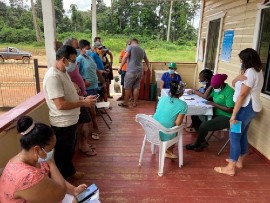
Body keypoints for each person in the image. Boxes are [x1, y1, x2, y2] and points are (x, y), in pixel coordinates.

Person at [0, 116, 87, 203]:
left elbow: (52, 179)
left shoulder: (31, 158)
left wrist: (73, 190)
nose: (52, 152)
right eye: (50, 149)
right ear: (37, 149)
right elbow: (60, 194)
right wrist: (52, 163)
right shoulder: (28, 177)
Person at [43, 45, 97, 179]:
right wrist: (83, 103)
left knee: (68, 150)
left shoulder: (62, 72)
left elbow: (69, 95)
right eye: (72, 61)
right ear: (63, 60)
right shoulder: (53, 77)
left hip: (70, 121)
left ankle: (68, 173)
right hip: (62, 123)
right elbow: (60, 104)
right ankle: (65, 176)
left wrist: (83, 98)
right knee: (63, 152)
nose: (74, 64)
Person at [214, 48, 264, 176]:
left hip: (245, 108)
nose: (240, 61)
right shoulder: (257, 71)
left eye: (241, 59)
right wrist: (239, 77)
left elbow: (242, 95)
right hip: (251, 108)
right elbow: (234, 83)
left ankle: (231, 167)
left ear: (246, 60)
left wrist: (234, 115)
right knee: (243, 134)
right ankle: (239, 160)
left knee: (234, 136)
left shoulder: (251, 73)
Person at [63, 38, 97, 156]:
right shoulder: (67, 64)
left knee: (84, 122)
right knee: (85, 121)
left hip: (81, 95)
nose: (78, 49)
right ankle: (83, 145)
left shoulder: (73, 61)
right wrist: (73, 84)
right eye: (76, 47)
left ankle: (83, 144)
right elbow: (63, 76)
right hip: (76, 97)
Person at [186, 74, 235, 152]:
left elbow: (230, 110)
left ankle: (197, 144)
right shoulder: (216, 88)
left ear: (221, 84)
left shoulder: (229, 92)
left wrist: (214, 104)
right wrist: (211, 86)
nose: (214, 88)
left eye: (215, 86)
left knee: (204, 126)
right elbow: (205, 97)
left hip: (227, 117)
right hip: (215, 113)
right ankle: (202, 141)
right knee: (195, 117)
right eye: (213, 86)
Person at [77, 39, 106, 140]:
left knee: (92, 110)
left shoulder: (89, 57)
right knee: (91, 111)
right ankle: (94, 128)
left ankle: (93, 128)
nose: (89, 50)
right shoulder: (79, 59)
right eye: (87, 48)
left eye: (89, 48)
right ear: (81, 49)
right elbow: (76, 74)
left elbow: (96, 70)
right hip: (87, 89)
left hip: (94, 87)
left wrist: (102, 81)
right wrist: (84, 81)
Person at [153, 81, 188, 158]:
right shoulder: (183, 105)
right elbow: (178, 123)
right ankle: (168, 150)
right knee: (176, 128)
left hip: (152, 130)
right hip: (165, 133)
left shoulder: (162, 98)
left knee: (167, 122)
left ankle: (168, 150)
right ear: (181, 92)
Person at [118, 38, 150, 107]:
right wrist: (148, 67)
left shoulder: (130, 47)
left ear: (131, 42)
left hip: (131, 71)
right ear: (137, 42)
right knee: (136, 87)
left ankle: (126, 102)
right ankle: (135, 102)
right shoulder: (142, 49)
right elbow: (146, 60)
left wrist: (120, 67)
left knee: (128, 87)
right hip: (139, 71)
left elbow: (125, 57)